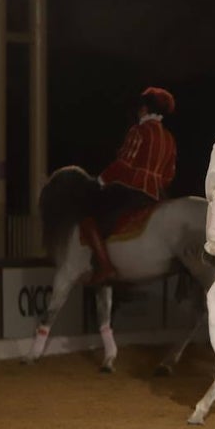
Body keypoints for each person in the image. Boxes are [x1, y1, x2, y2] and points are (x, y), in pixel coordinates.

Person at [81, 87, 177, 284]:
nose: (138, 110)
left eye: (141, 107)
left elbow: (124, 164)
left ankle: (105, 265)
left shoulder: (139, 130)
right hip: (157, 194)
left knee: (88, 217)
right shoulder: (169, 138)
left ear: (145, 109)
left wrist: (101, 180)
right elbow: (169, 175)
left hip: (132, 190)